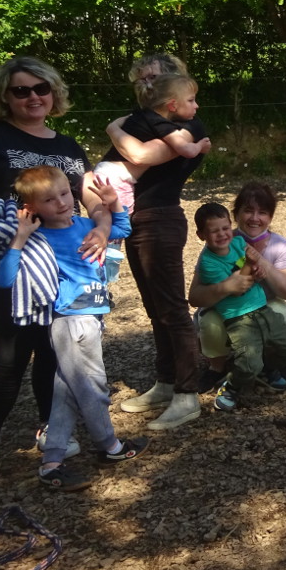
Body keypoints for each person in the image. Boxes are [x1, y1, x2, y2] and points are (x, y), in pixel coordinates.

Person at [0, 56, 111, 488]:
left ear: (54, 92)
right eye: (21, 90)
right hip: (12, 263)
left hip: (64, 269)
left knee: (52, 352)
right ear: (5, 95)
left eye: (42, 88)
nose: (33, 97)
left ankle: (45, 427)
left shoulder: (69, 146)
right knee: (8, 356)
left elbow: (89, 196)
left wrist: (104, 225)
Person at [0, 167, 149, 489]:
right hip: (71, 322)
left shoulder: (84, 224)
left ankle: (51, 463)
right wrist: (20, 238)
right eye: (49, 200)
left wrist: (113, 203)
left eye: (65, 193)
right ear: (33, 208)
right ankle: (111, 447)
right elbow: (5, 279)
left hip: (90, 319)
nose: (62, 202)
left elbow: (123, 228)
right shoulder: (39, 239)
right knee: (93, 387)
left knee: (65, 393)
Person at [108, 58, 210, 430]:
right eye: (142, 78)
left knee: (173, 309)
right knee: (156, 310)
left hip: (160, 219)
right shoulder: (148, 121)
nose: (147, 83)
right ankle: (166, 383)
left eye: (155, 77)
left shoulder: (186, 126)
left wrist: (112, 128)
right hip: (133, 221)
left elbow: (137, 155)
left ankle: (187, 395)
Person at [191, 203, 286, 412]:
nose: (222, 234)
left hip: (261, 308)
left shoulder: (238, 243)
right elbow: (237, 287)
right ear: (201, 235)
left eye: (225, 228)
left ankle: (268, 367)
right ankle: (231, 387)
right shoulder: (208, 261)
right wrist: (250, 265)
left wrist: (257, 269)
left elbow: (249, 271)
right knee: (249, 363)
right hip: (237, 318)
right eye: (214, 231)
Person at [93, 73, 211, 214]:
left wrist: (112, 128)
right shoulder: (161, 124)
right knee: (118, 225)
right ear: (172, 105)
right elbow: (186, 150)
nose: (196, 106)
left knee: (107, 224)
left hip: (106, 172)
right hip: (117, 179)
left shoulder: (140, 115)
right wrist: (200, 146)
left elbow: (116, 125)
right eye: (191, 100)